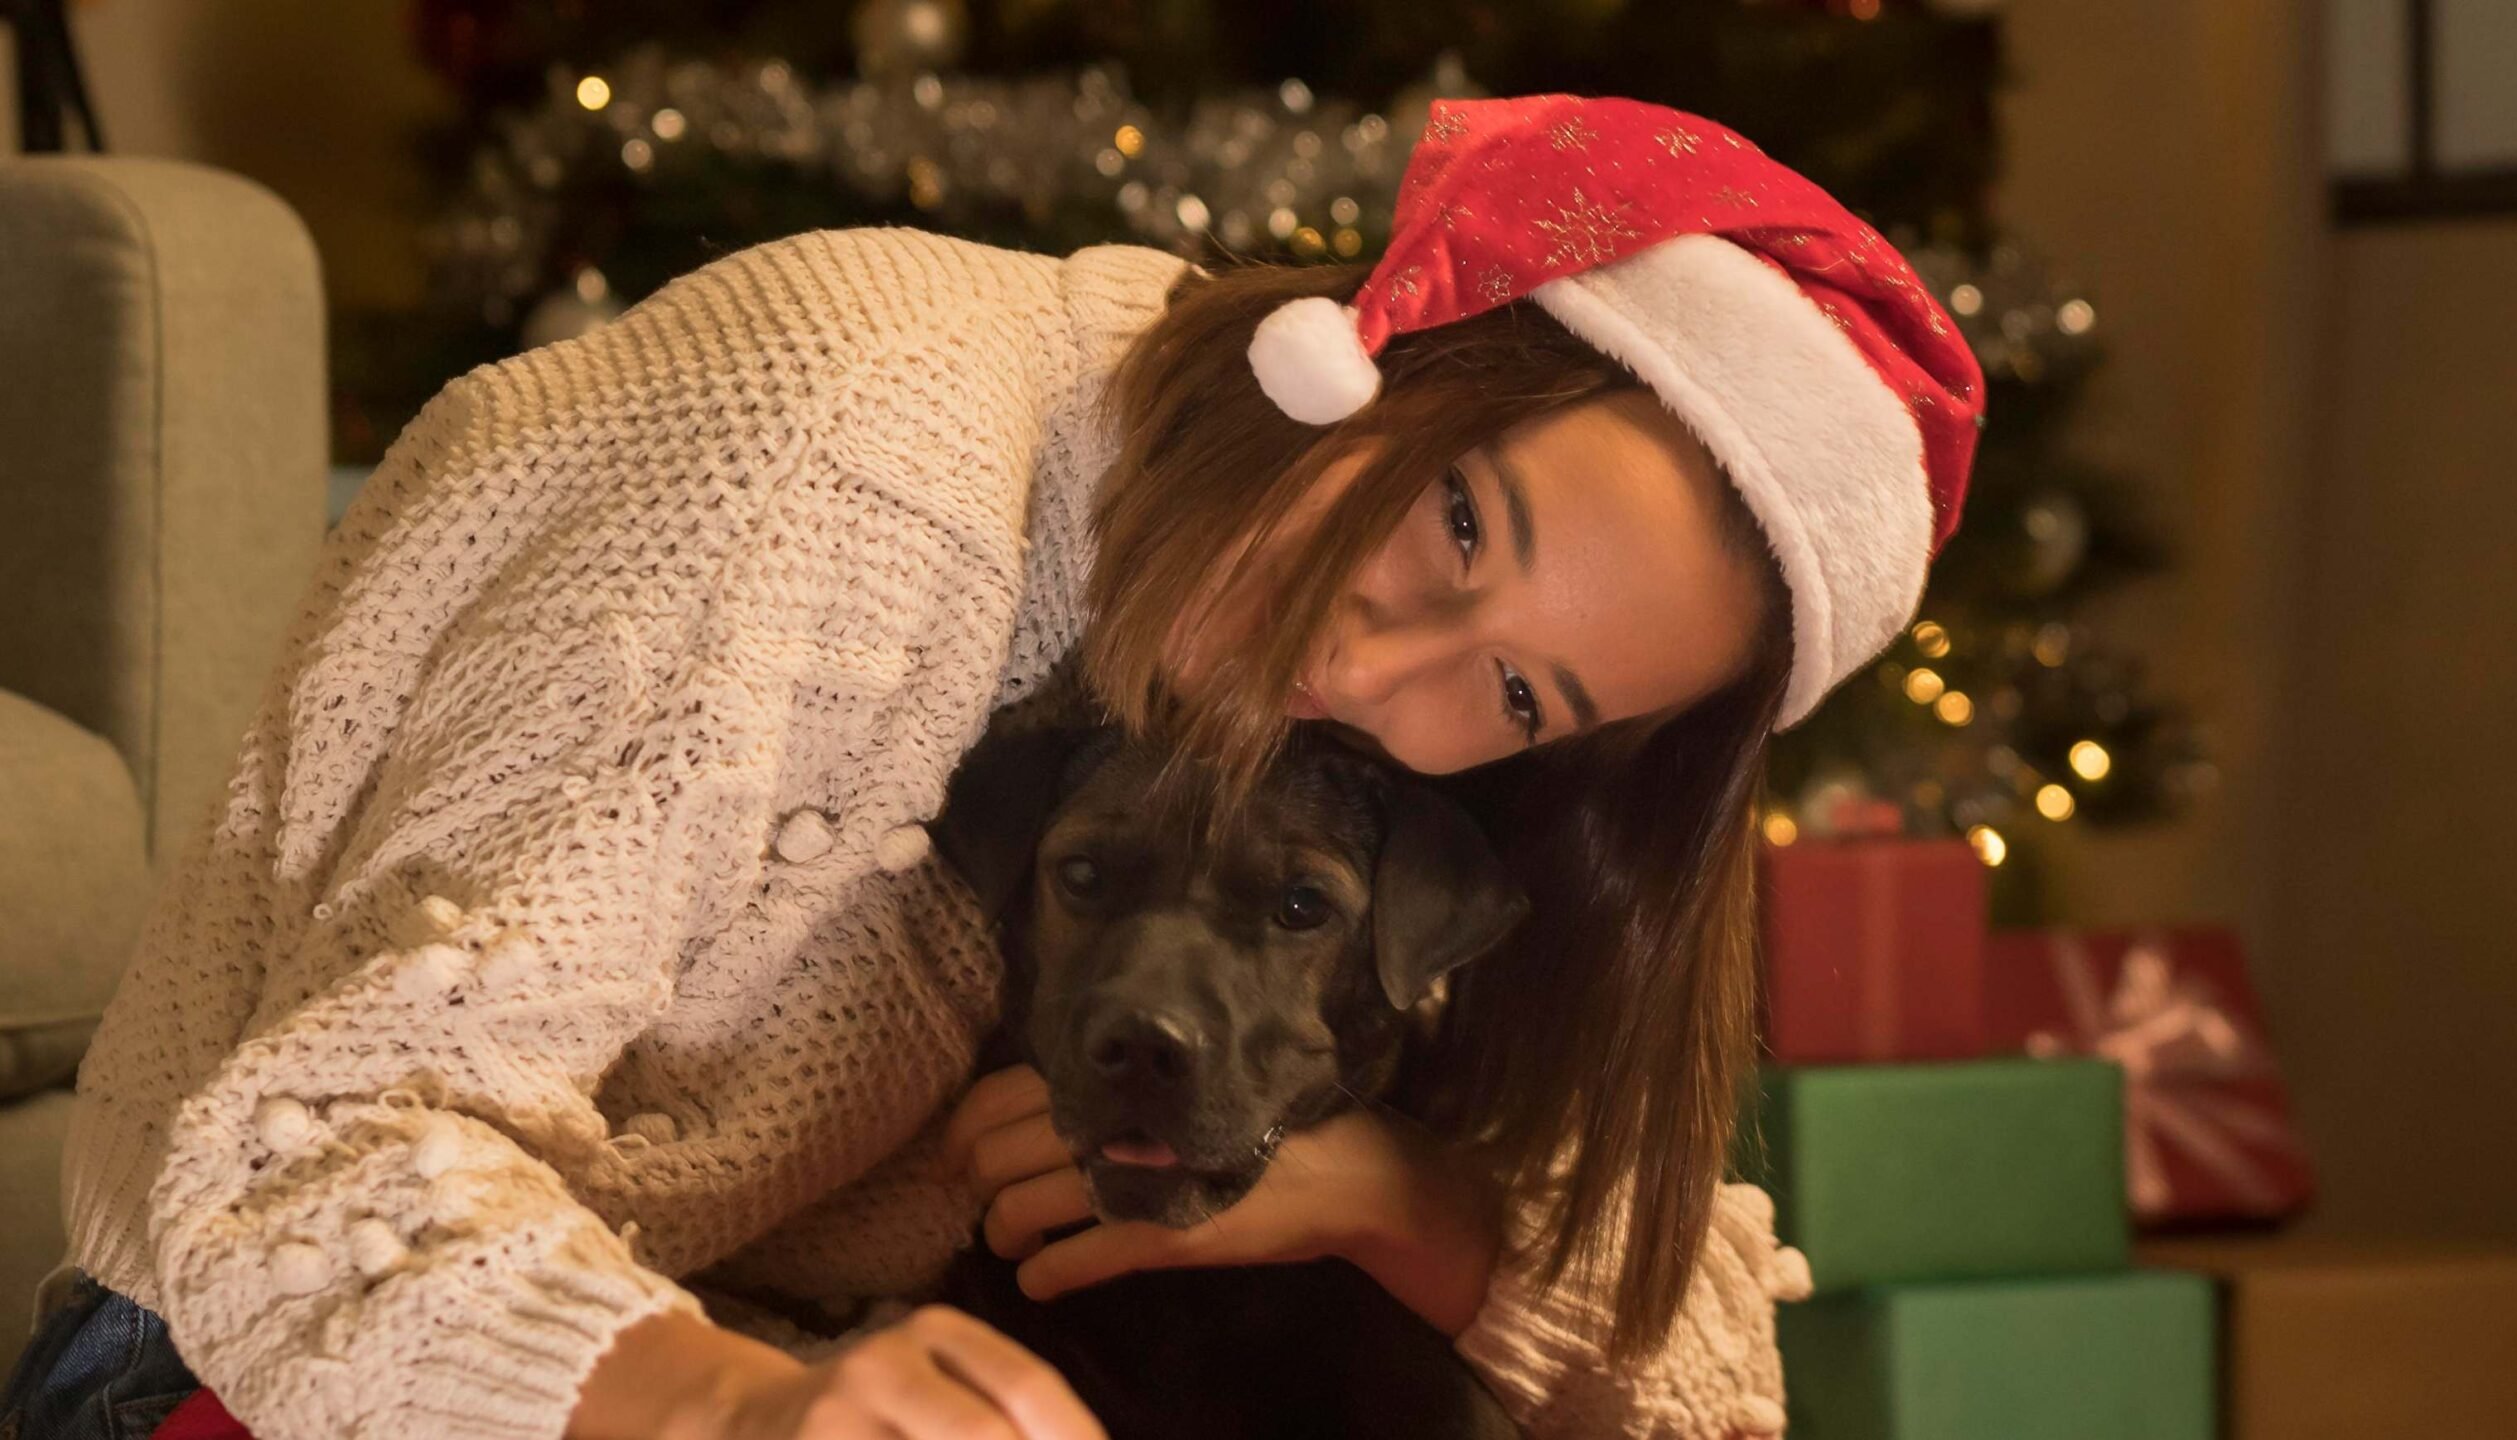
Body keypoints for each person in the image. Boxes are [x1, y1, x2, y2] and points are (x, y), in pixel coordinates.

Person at [5, 94, 1979, 1440]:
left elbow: (1699, 1374)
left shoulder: (1333, 748)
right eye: (1460, 524)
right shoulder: (851, 463)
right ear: (1402, 343)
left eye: (1529, 696)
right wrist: (753, 1408)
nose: (1380, 662)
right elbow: (284, 1175)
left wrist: (1370, 1192)